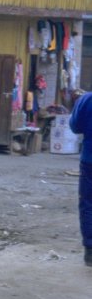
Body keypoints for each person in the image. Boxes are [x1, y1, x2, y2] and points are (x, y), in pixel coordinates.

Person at [68, 91, 92, 266]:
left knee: (88, 203)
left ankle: (90, 252)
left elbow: (75, 126)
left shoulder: (87, 100)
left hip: (90, 160)